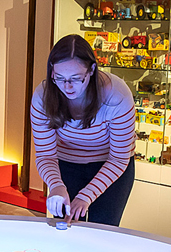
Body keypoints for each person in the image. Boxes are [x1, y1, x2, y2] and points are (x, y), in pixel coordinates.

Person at [32, 34, 137, 226]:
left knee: (103, 229)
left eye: (76, 78)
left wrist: (86, 196)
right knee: (65, 226)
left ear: (92, 71)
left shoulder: (117, 95)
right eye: (60, 78)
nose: (67, 86)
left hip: (110, 165)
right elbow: (45, 154)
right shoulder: (43, 97)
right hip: (67, 163)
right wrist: (55, 185)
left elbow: (118, 158)